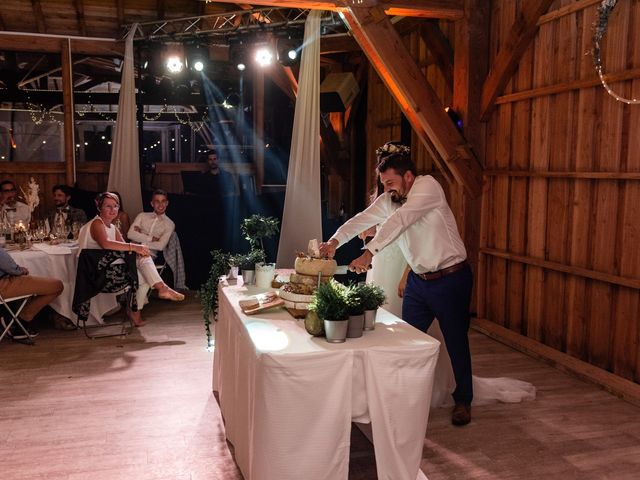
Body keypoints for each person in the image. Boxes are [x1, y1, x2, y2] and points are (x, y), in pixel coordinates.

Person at [319, 141, 475, 426]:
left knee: (455, 340)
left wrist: (369, 253)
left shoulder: (428, 188)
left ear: (408, 176)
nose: (387, 188)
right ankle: (404, 398)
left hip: (451, 278)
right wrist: (335, 241)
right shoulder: (391, 197)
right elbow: (363, 218)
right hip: (419, 280)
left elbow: (400, 221)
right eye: (384, 183)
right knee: (405, 341)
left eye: (391, 182)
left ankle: (463, 400)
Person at [78, 192, 184, 327]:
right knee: (142, 263)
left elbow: (129, 249)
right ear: (99, 207)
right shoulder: (97, 224)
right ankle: (158, 291)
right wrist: (135, 247)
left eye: (115, 206)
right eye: (108, 206)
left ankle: (139, 307)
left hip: (110, 268)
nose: (112, 210)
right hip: (97, 273)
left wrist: (136, 248)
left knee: (143, 273)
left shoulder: (112, 227)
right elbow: (106, 244)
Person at [0, 246, 63, 340]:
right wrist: (19, 270)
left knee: (32, 282)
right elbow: (8, 265)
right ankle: (19, 321)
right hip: (3, 285)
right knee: (57, 286)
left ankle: (14, 318)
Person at [127, 189, 174, 256]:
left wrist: (140, 238)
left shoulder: (169, 224)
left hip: (149, 254)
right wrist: (152, 238)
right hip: (132, 251)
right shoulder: (142, 215)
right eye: (157, 201)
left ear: (167, 203)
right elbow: (130, 234)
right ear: (152, 203)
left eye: (163, 201)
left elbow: (160, 246)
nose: (160, 205)